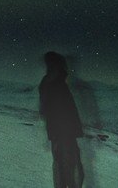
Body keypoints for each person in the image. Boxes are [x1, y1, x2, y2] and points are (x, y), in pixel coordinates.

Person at [39, 51, 84, 188]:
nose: (66, 67)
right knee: (68, 168)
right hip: (64, 133)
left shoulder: (51, 83)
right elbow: (58, 110)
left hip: (61, 133)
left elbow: (45, 110)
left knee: (66, 167)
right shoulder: (55, 84)